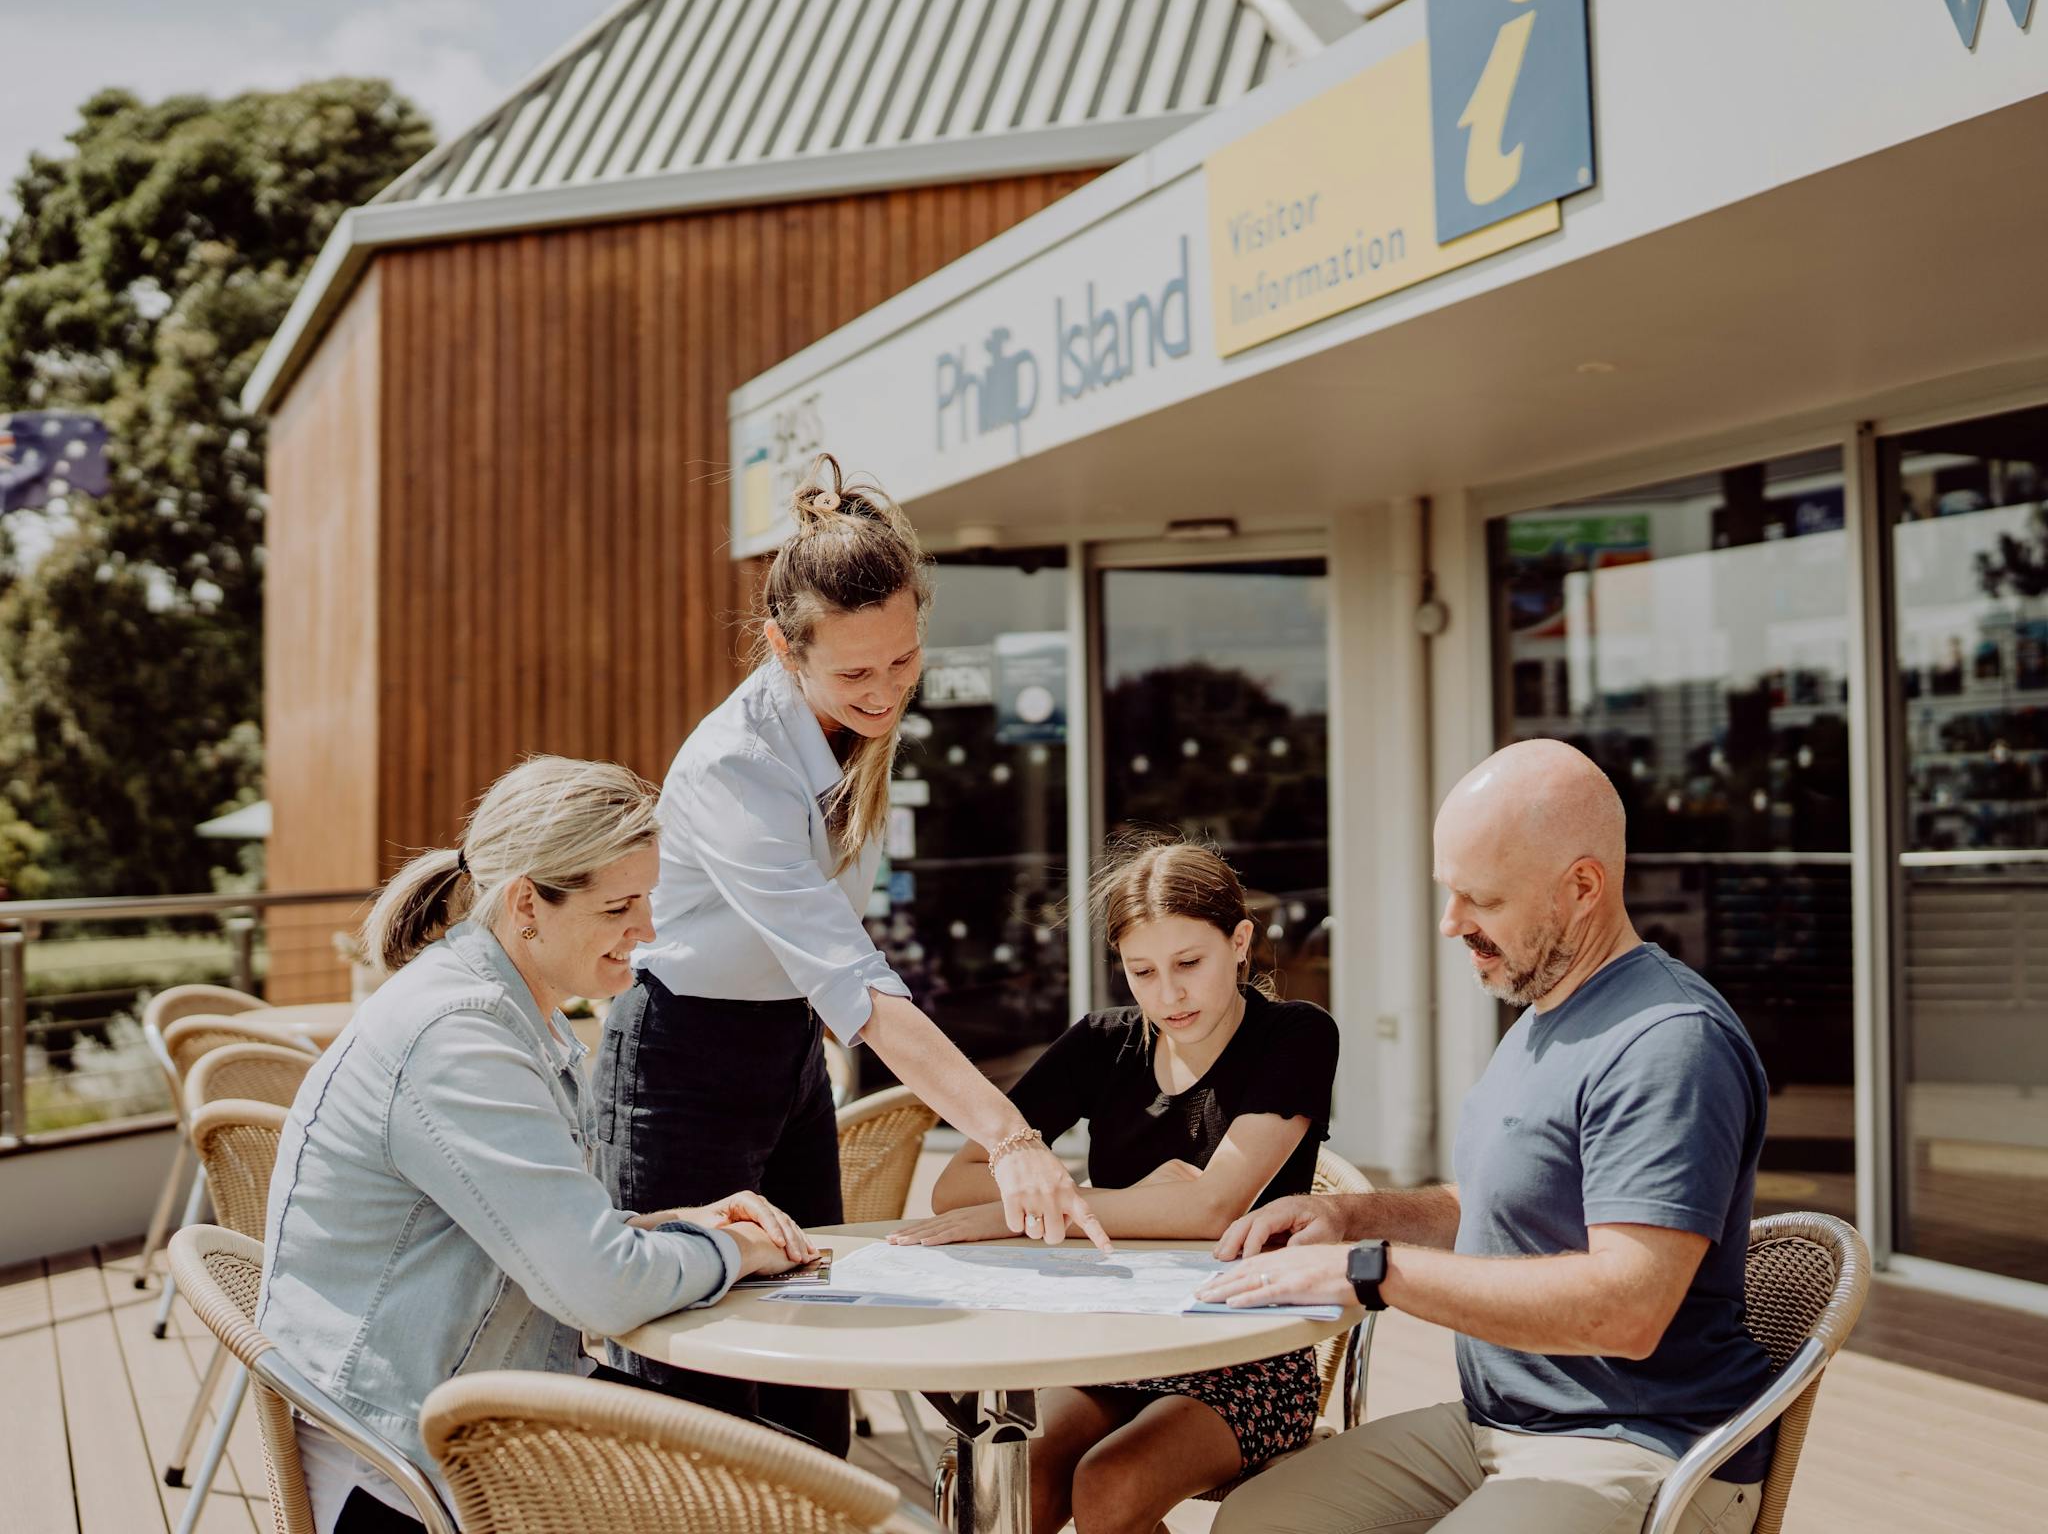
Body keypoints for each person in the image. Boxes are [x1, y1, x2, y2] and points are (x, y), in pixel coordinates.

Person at [594, 454, 1106, 1455]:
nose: (885, 692)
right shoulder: (738, 764)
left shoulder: (854, 717)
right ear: (783, 649)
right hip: (678, 1069)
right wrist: (1010, 1140)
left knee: (815, 1366)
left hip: (784, 1057)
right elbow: (853, 982)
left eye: (902, 661)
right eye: (855, 674)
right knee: (697, 1401)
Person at [1198, 739, 1774, 1534]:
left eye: (1482, 899)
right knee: (1257, 1521)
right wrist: (1352, 1219)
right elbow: (1501, 1204)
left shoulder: (1667, 1043)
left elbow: (1629, 1309)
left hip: (1637, 1442)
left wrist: (1374, 1272)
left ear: (1582, 887)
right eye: (1450, 892)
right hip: (1498, 1425)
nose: (1451, 923)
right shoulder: (1548, 1013)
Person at [258, 757, 814, 1534]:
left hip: (473, 1412)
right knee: (795, 1500)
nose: (648, 930)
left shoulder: (506, 1013)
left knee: (793, 1473)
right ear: (527, 904)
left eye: (649, 899)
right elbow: (598, 1293)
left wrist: (677, 1228)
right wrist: (736, 1251)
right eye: (619, 905)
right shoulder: (460, 1040)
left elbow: (529, 1237)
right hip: (409, 1471)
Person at [893, 835, 1339, 1534]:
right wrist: (1140, 1201)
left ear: (1240, 942)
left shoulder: (1295, 1037)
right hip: (1115, 1340)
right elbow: (958, 1185)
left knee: (1109, 1484)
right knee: (1016, 1480)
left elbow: (1212, 1209)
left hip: (1247, 1349)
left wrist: (1026, 1211)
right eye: (1142, 971)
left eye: (1189, 963)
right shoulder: (1102, 1043)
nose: (1169, 994)